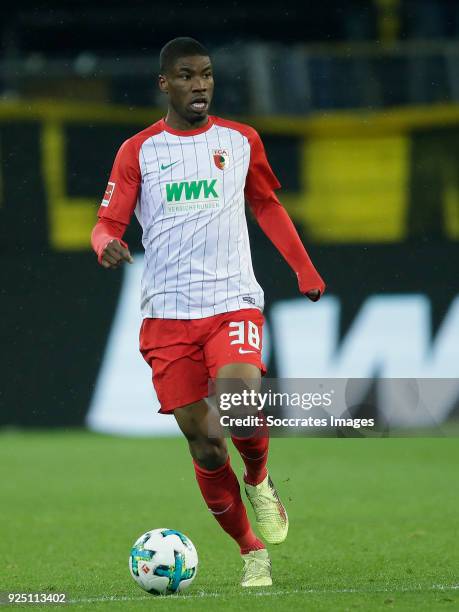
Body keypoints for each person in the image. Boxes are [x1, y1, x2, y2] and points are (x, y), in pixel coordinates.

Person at [91, 37, 325, 588]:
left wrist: (304, 267)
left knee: (241, 409)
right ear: (165, 83)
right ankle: (251, 551)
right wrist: (103, 243)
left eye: (207, 75)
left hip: (231, 301)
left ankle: (261, 479)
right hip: (167, 318)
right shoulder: (138, 151)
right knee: (206, 442)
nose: (200, 85)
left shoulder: (240, 141)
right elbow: (108, 222)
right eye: (188, 76)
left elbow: (266, 203)